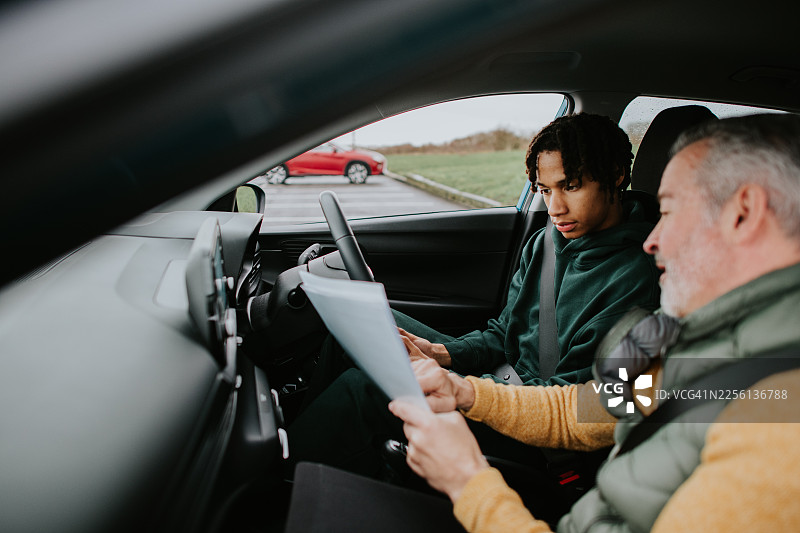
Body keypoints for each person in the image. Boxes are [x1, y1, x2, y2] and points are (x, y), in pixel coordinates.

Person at [385, 113, 800, 532]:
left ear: (744, 214)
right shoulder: (679, 328)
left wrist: (467, 482)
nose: (653, 241)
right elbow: (587, 409)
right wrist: (466, 391)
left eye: (670, 212)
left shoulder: (778, 425)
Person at [287, 113, 661, 478]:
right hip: (498, 381)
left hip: (537, 431)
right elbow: (503, 333)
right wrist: (440, 354)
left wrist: (464, 387)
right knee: (362, 329)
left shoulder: (636, 281)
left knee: (364, 388)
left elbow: (577, 406)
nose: (555, 208)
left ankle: (279, 488)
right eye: (545, 191)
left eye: (572, 186)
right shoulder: (546, 242)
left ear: (616, 175)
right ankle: (297, 451)